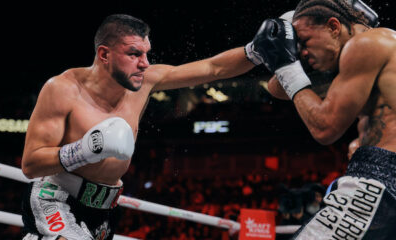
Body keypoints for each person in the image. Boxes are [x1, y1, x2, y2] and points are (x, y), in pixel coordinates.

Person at [20, 14, 256, 240]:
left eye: (146, 54)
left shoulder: (144, 83)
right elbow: (30, 164)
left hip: (105, 208)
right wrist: (83, 149)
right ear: (104, 54)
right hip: (57, 197)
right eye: (134, 54)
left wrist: (255, 52)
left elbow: (213, 68)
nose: (145, 64)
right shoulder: (63, 89)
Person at [246, 0, 396, 239]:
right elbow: (276, 88)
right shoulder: (380, 52)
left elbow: (325, 128)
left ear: (334, 26)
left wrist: (286, 65)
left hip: (382, 175)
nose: (302, 52)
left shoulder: (366, 44)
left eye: (304, 42)